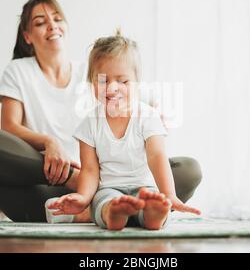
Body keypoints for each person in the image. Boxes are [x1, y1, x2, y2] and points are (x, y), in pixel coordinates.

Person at [0, 0, 202, 223]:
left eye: (57, 18)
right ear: (27, 36)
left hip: (109, 182)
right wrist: (50, 144)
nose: (52, 25)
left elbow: (141, 94)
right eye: (40, 22)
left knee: (188, 170)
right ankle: (92, 203)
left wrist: (157, 113)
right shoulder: (19, 70)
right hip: (50, 180)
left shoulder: (97, 70)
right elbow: (10, 127)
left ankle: (114, 207)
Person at [47, 31, 201, 230]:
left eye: (123, 81)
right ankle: (114, 212)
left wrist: (169, 194)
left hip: (145, 189)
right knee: (102, 202)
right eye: (103, 81)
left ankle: (153, 214)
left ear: (137, 83)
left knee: (153, 200)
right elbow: (90, 170)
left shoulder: (147, 116)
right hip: (109, 189)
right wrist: (83, 197)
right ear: (92, 83)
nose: (112, 88)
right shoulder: (89, 123)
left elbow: (157, 156)